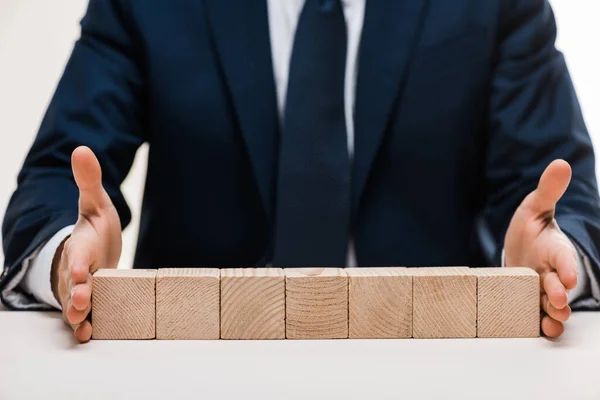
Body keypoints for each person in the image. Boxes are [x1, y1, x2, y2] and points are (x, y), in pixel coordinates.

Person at [1, 0, 599, 343]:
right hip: (195, 365)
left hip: (434, 360)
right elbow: (59, 175)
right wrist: (65, 255)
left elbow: (558, 196)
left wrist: (553, 259)